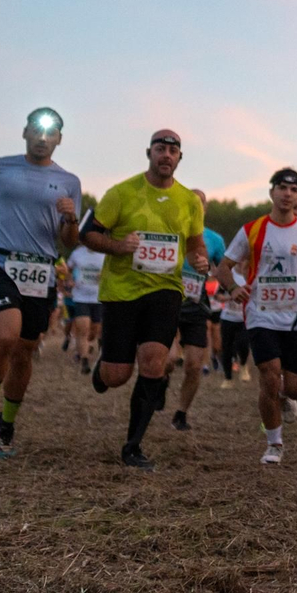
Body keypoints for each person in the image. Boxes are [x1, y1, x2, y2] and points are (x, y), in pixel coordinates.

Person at [0, 108, 82, 459]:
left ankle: (7, 422)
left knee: (26, 350)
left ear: (59, 139)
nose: (43, 139)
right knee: (7, 335)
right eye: (37, 131)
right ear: (25, 132)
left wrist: (71, 217)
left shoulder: (69, 181)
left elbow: (69, 240)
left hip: (41, 271)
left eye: (51, 133)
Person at [82, 129, 208, 471]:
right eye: (160, 149)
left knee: (154, 362)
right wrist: (117, 246)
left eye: (172, 150)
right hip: (122, 290)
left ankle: (133, 446)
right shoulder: (121, 193)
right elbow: (87, 234)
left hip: (166, 290)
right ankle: (103, 369)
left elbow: (196, 244)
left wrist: (200, 259)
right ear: (149, 153)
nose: (166, 155)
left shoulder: (190, 201)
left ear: (180, 158)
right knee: (117, 375)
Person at [214, 168, 297, 466]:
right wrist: (233, 288)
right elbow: (224, 267)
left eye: (293, 190)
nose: (287, 194)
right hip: (260, 315)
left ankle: (286, 398)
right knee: (269, 376)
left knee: (294, 388)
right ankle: (274, 443)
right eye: (282, 187)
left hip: (296, 319)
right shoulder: (251, 230)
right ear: (271, 192)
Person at [170, 191, 227, 432]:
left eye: (199, 204)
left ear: (204, 209)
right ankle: (160, 381)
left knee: (193, 365)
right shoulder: (170, 231)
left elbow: (223, 269)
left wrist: (229, 286)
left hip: (196, 306)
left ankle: (181, 413)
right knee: (169, 360)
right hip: (169, 301)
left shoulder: (214, 240)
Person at [66, 242, 105, 374]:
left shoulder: (104, 253)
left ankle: (83, 349)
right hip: (80, 297)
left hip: (98, 299)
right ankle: (84, 360)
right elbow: (67, 269)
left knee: (93, 332)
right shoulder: (77, 254)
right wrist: (69, 280)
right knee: (83, 329)